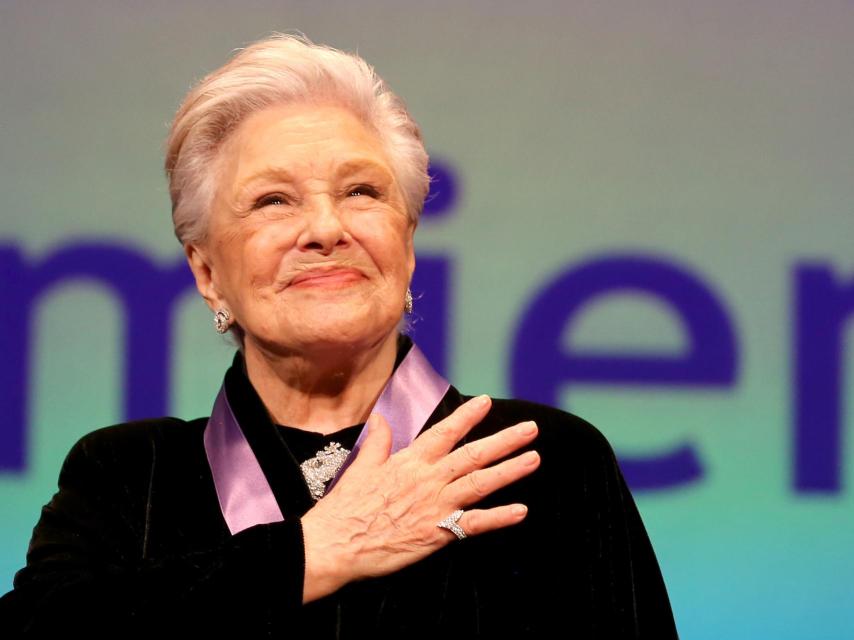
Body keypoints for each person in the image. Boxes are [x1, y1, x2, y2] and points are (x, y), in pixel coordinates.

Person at [0, 33, 678, 638]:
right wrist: (310, 554)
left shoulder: (537, 463)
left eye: (361, 192)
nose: (327, 229)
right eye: (273, 200)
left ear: (406, 245)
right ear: (207, 272)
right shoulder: (130, 476)